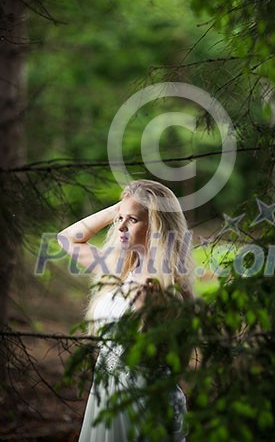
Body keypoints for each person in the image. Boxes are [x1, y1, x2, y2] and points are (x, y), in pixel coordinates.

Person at [57, 179, 195, 442]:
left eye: (132, 220)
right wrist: (121, 207)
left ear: (156, 225)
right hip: (107, 394)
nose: (120, 227)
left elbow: (178, 358)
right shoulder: (121, 269)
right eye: (119, 219)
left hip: (140, 400)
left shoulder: (167, 286)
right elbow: (67, 238)